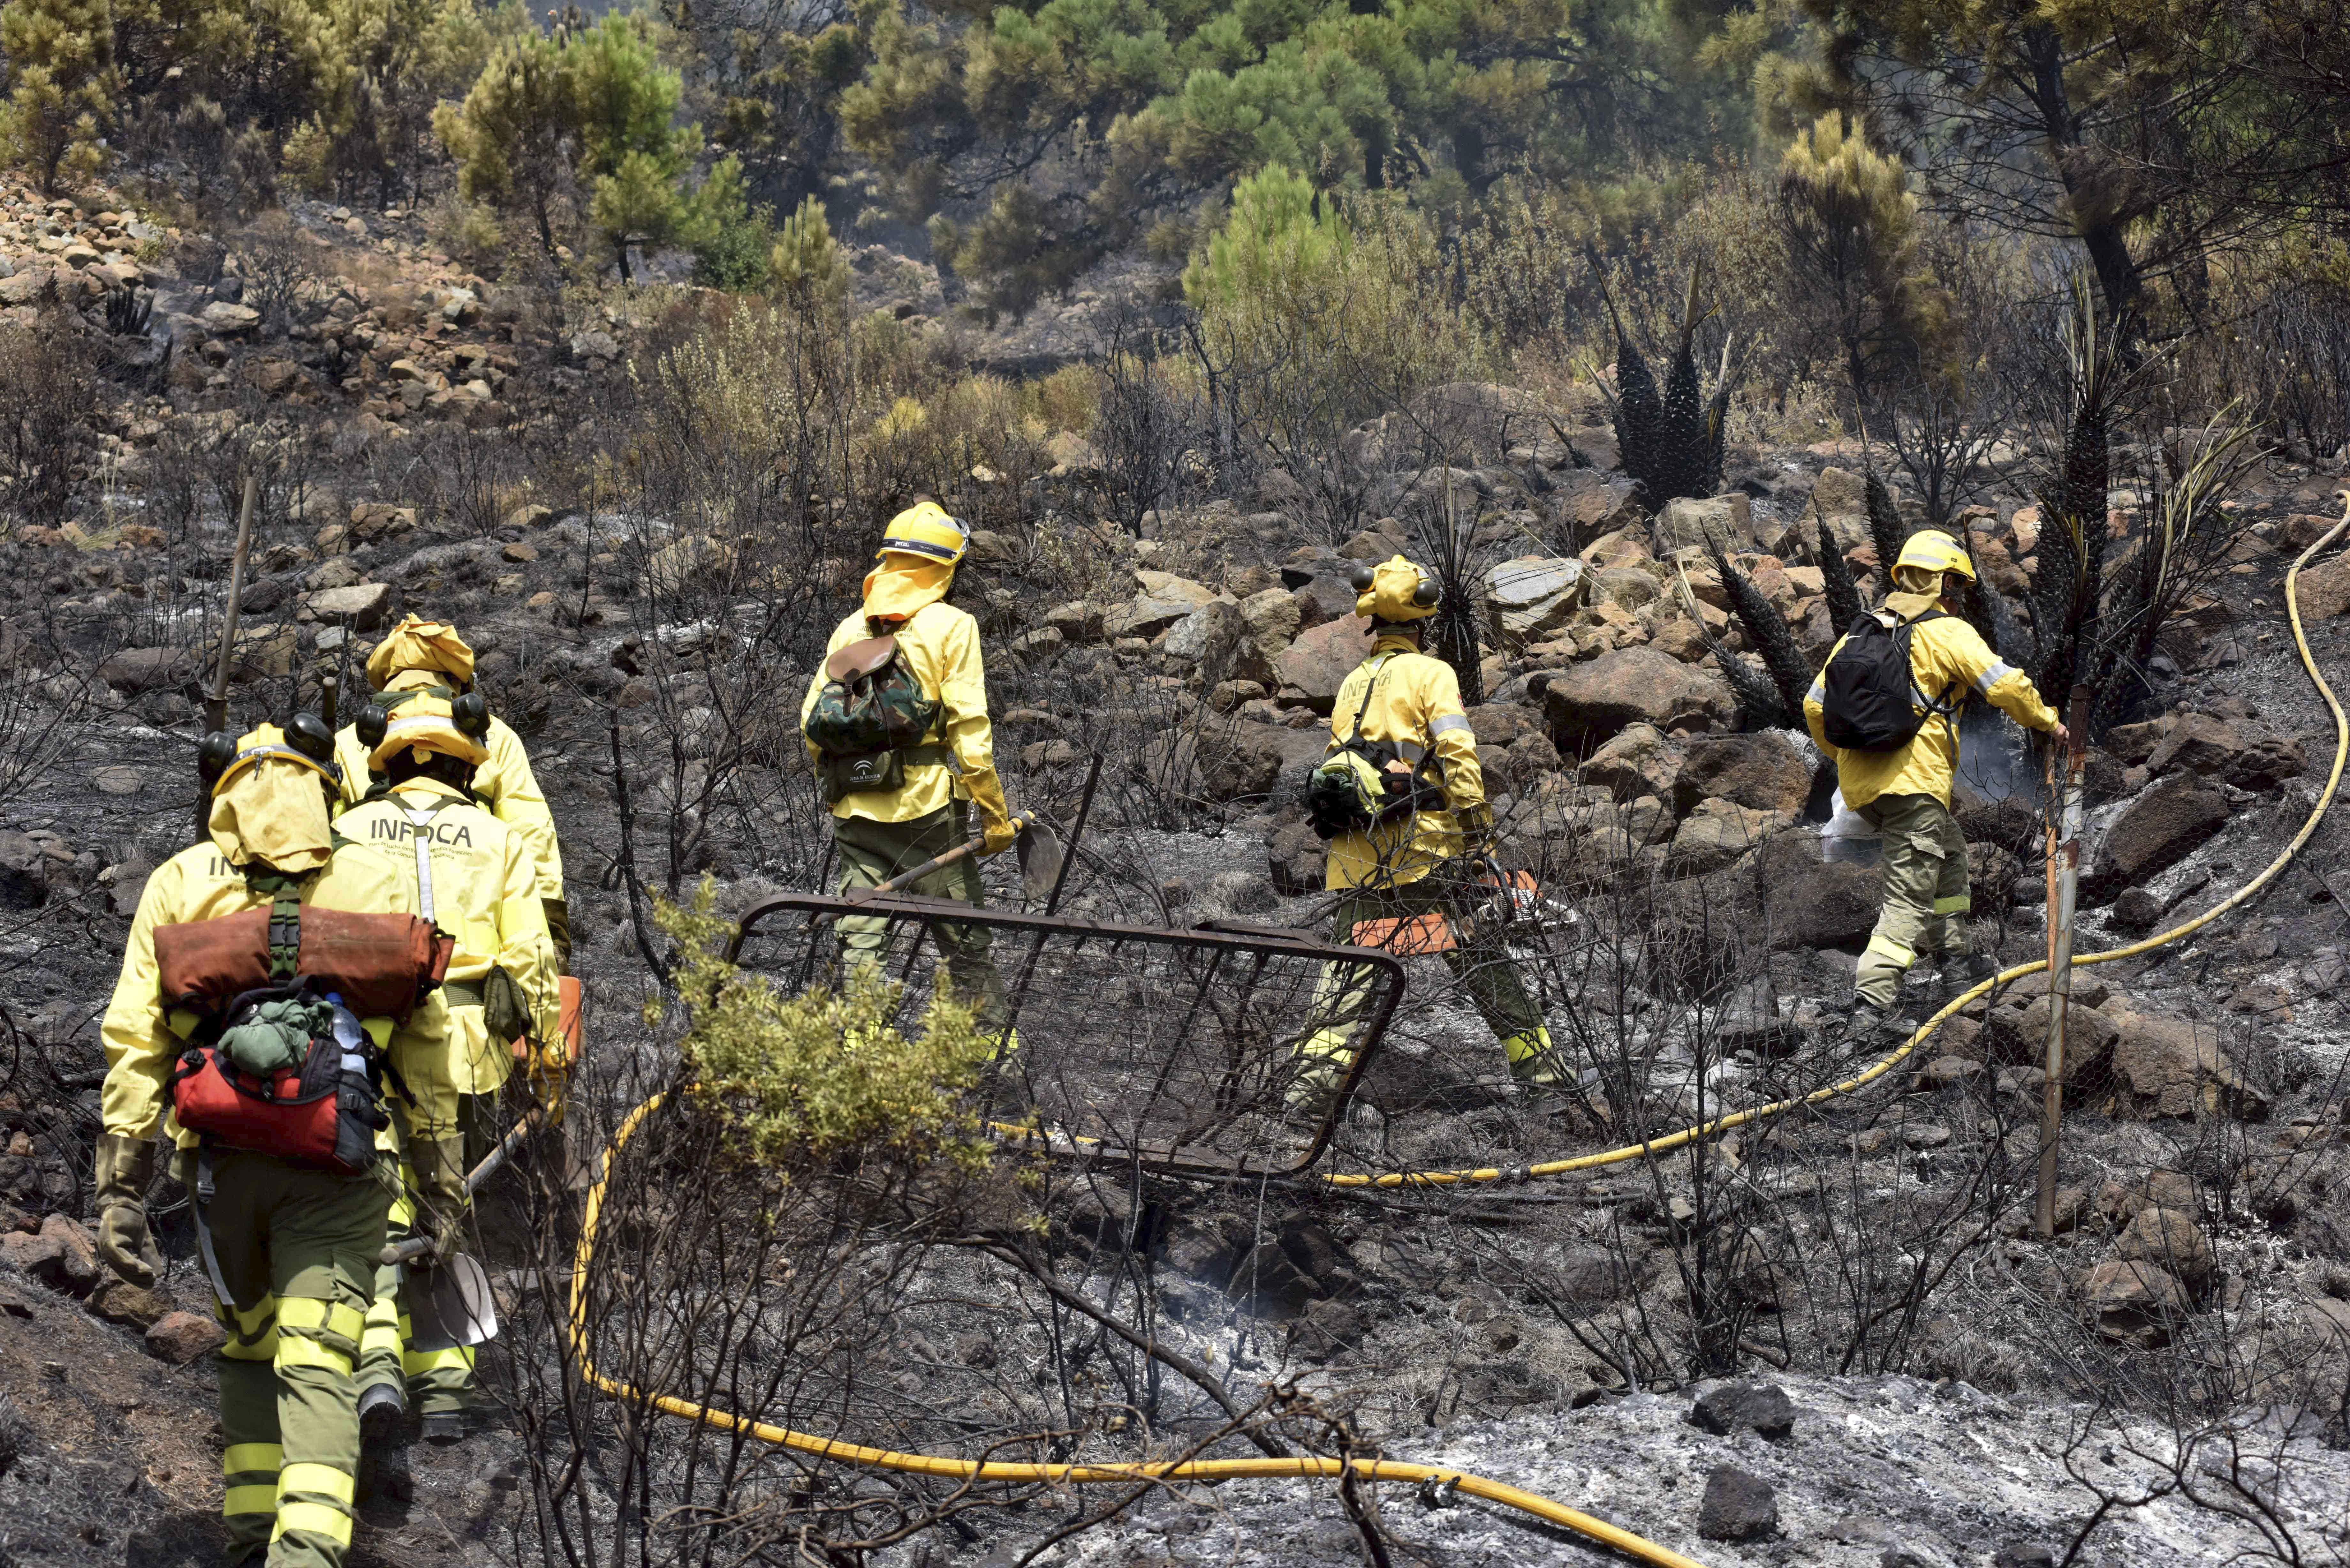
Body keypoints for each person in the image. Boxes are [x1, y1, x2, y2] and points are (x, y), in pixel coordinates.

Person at [93, 721, 400, 1567]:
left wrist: (122, 1185)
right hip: (338, 1162)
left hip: (224, 1167)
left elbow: (134, 1038)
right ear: (325, 788)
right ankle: (305, 1553)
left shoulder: (181, 880)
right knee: (319, 1358)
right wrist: (440, 1182)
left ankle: (244, 1539)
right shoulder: (373, 874)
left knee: (250, 1341)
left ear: (221, 792)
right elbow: (431, 1043)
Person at [335, 690, 561, 1441]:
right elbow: (532, 956)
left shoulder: (345, 831)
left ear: (387, 762)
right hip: (461, 1044)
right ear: (465, 765)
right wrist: (549, 1060)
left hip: (365, 1041)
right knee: (443, 1200)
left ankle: (372, 1364)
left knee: (369, 1197)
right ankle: (445, 1385)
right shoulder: (498, 838)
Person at [1291, 556, 1560, 1112]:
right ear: (1424, 623)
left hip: (1353, 853)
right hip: (1424, 848)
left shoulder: (1350, 683)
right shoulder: (1433, 674)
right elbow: (1458, 754)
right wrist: (1478, 830)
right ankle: (1544, 1079)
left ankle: (1311, 1089)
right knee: (1479, 954)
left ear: (1374, 623)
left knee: (1350, 969)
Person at [1802, 530, 2069, 1037]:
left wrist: (1849, 759)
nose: (1961, 596)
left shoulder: (1859, 634)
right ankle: (1871, 1007)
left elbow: (1815, 705)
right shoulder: (1947, 632)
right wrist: (2048, 721)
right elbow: (2004, 684)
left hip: (1867, 790)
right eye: (1958, 585)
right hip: (1916, 786)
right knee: (1908, 896)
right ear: (1944, 582)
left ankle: (1957, 962)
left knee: (1949, 857)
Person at [799, 500, 1017, 1028]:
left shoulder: (851, 628)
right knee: (966, 951)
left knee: (863, 951)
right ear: (947, 567)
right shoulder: (953, 625)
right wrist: (993, 815)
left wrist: (837, 795)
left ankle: (860, 1074)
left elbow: (811, 722)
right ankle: (996, 1079)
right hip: (931, 817)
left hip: (855, 811)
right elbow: (969, 728)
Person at [332, 615, 569, 969]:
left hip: (375, 946)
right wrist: (550, 924)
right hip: (476, 924)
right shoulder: (492, 736)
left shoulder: (349, 740)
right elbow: (531, 829)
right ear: (458, 681)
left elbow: (330, 842)